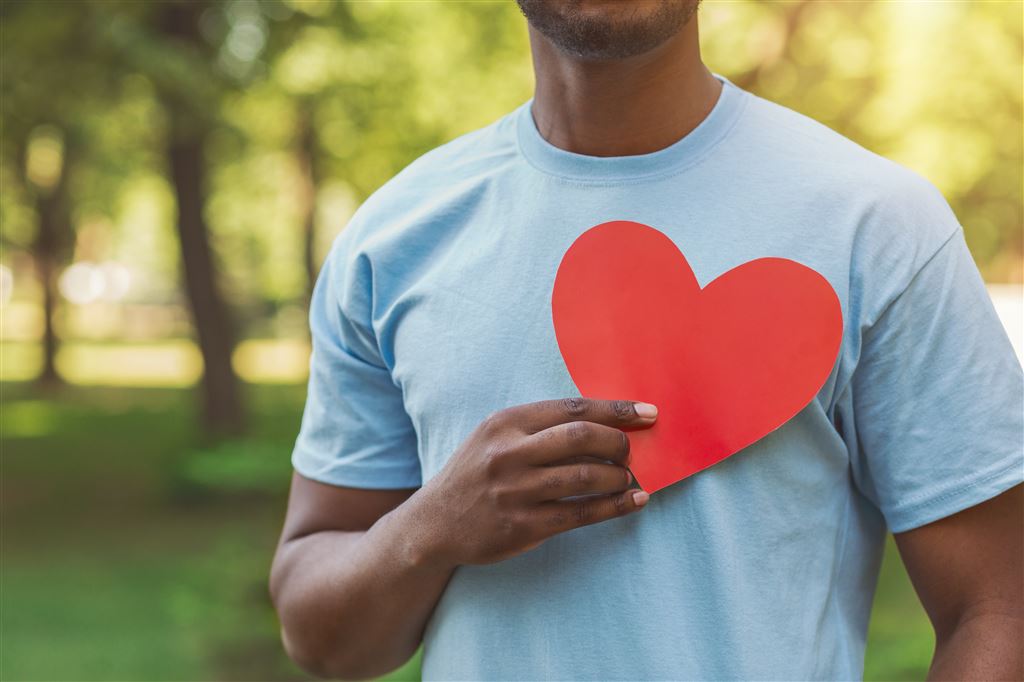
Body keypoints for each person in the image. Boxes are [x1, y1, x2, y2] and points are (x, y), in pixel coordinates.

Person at [269, 1, 1024, 679]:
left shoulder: (878, 226)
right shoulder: (393, 240)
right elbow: (322, 640)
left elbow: (998, 612)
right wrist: (430, 529)